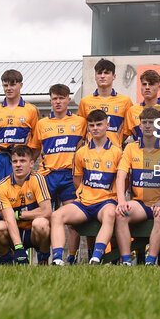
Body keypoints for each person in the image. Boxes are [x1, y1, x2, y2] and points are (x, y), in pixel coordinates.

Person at [49, 109, 122, 265]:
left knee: (110, 214)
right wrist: (85, 194)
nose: (95, 128)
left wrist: (111, 195)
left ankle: (96, 257)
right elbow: (77, 179)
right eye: (92, 125)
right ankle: (57, 259)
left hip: (106, 202)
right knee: (56, 216)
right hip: (84, 203)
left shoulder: (117, 152)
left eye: (99, 124)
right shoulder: (81, 152)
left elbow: (123, 181)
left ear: (107, 125)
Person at [115, 108, 160, 265]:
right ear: (140, 126)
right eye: (145, 123)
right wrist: (121, 201)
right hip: (140, 205)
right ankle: (126, 261)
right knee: (122, 214)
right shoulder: (131, 148)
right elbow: (121, 175)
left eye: (152, 122)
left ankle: (151, 261)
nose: (148, 126)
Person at [34, 83, 87, 262]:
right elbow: (34, 150)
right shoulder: (42, 124)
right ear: (50, 100)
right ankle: (44, 258)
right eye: (54, 98)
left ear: (68, 99)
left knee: (72, 221)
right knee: (45, 219)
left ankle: (71, 258)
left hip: (70, 176)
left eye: (61, 98)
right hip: (47, 176)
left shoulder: (80, 122)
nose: (58, 102)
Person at [0, 145, 52, 265]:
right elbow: (8, 218)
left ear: (31, 163)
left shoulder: (38, 179)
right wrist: (19, 248)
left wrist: (19, 214)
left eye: (22, 161)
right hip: (14, 230)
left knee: (41, 223)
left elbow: (47, 211)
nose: (18, 165)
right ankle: (8, 260)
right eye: (15, 161)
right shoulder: (1, 186)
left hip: (33, 232)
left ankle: (43, 259)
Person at [0, 69, 40, 184]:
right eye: (5, 85)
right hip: (0, 159)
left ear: (20, 85)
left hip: (20, 159)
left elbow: (37, 141)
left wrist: (29, 161)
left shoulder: (31, 110)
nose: (8, 88)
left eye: (12, 84)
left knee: (21, 193)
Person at [78, 59, 133, 148]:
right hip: (90, 154)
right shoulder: (85, 102)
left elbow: (127, 131)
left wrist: (115, 143)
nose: (102, 76)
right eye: (99, 73)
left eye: (106, 73)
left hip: (114, 154)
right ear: (95, 76)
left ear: (114, 76)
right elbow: (82, 130)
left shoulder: (125, 101)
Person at [123, 69, 160, 143]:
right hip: (140, 153)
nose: (147, 87)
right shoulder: (132, 110)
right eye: (144, 84)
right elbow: (121, 138)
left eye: (151, 84)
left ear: (159, 87)